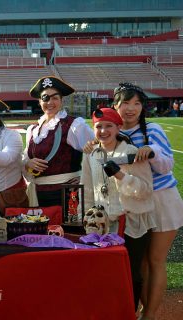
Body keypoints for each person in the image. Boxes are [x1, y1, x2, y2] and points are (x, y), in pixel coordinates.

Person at [111, 83, 183, 320]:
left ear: (142, 107)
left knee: (155, 260)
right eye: (125, 103)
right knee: (139, 261)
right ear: (115, 106)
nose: (130, 109)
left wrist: (151, 150)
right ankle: (141, 308)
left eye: (136, 103)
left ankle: (150, 315)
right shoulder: (116, 132)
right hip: (134, 202)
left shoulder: (152, 129)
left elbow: (167, 165)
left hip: (162, 200)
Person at [81, 107, 155, 312]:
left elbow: (146, 190)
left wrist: (120, 175)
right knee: (105, 272)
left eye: (108, 126)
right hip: (102, 223)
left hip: (131, 221)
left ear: (118, 127)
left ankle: (129, 311)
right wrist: (85, 218)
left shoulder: (130, 153)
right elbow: (87, 187)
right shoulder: (91, 153)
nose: (103, 131)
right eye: (98, 127)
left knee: (130, 272)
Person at [23, 76, 94, 207]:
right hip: (38, 193)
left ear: (62, 101)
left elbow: (97, 151)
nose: (50, 102)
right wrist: (28, 163)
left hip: (68, 193)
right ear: (39, 101)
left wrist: (84, 177)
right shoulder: (32, 129)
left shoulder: (74, 125)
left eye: (55, 98)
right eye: (45, 98)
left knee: (68, 228)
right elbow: (25, 158)